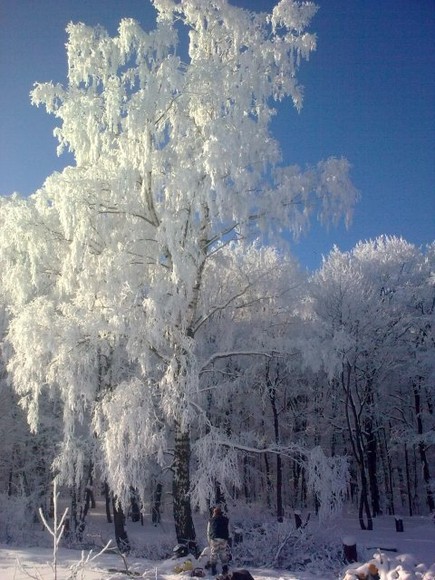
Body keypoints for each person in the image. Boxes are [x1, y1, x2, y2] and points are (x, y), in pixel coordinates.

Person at [207, 506, 230, 576]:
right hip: (223, 538)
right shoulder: (225, 520)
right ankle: (225, 569)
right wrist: (227, 539)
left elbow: (208, 531)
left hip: (214, 538)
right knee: (223, 553)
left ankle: (213, 570)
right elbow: (228, 529)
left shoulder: (211, 520)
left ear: (214, 513)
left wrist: (209, 541)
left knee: (214, 554)